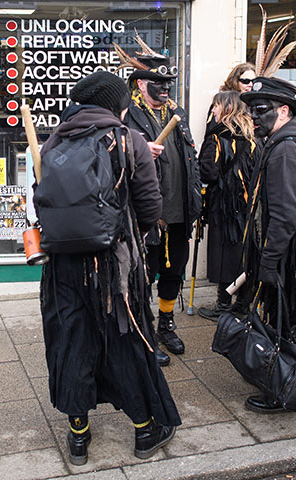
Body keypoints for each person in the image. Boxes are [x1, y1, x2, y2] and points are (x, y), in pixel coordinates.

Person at [35, 71, 180, 464]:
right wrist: (130, 232)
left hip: (63, 266)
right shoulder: (128, 140)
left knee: (73, 339)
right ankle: (145, 430)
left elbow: (43, 200)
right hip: (114, 265)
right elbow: (150, 205)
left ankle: (78, 435)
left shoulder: (54, 141)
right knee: (125, 340)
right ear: (115, 104)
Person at [240, 77, 296, 413]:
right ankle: (285, 376)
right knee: (284, 314)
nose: (254, 117)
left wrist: (270, 262)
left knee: (286, 316)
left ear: (285, 110)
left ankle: (289, 387)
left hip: (289, 254)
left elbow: (285, 214)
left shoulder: (287, 149)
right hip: (287, 251)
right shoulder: (283, 141)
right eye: (251, 111)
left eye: (261, 110)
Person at [121, 42, 201, 366]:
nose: (165, 88)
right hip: (147, 217)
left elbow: (190, 157)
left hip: (180, 212)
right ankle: (143, 333)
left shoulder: (177, 115)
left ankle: (166, 324)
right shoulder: (128, 113)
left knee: (173, 272)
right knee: (143, 276)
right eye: (158, 83)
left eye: (168, 83)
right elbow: (114, 149)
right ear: (141, 83)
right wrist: (138, 148)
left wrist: (197, 198)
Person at [197, 91, 255, 320]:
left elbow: (207, 172)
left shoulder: (217, 136)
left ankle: (223, 306)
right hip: (247, 203)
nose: (213, 111)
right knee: (244, 251)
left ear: (227, 108)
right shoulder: (253, 135)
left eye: (216, 107)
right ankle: (242, 304)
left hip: (224, 204)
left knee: (224, 253)